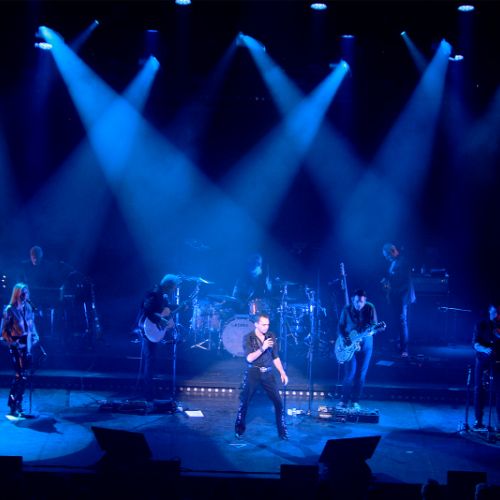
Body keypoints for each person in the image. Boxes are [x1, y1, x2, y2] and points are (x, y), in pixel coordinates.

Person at [235, 313, 289, 440]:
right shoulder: (248, 338)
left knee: (278, 402)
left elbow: (275, 357)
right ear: (256, 324)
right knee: (245, 402)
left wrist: (282, 372)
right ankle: (239, 429)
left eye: (268, 324)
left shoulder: (271, 336)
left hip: (268, 373)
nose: (266, 327)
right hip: (253, 372)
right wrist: (263, 348)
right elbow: (249, 358)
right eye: (263, 325)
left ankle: (282, 432)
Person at [138, 274, 182, 401]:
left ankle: (152, 391)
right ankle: (148, 395)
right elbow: (147, 310)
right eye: (174, 287)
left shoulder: (162, 295)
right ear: (169, 285)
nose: (174, 289)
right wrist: (159, 319)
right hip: (148, 329)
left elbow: (164, 310)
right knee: (150, 361)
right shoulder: (154, 293)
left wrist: (180, 307)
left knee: (152, 361)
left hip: (155, 330)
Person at [1, 283, 39, 417]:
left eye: (27, 292)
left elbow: (32, 327)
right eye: (23, 292)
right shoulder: (9, 310)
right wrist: (13, 343)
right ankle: (12, 404)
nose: (25, 294)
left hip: (27, 346)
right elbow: (3, 332)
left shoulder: (28, 309)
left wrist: (35, 336)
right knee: (19, 375)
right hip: (15, 346)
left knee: (25, 376)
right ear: (17, 294)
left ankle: (19, 403)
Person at [336, 289, 377, 410]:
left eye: (362, 302)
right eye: (357, 301)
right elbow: (340, 326)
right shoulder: (346, 309)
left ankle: (355, 401)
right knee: (350, 373)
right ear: (352, 300)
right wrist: (344, 338)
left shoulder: (370, 308)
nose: (359, 304)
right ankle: (344, 400)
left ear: (365, 301)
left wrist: (372, 331)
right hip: (349, 345)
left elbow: (375, 325)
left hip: (365, 345)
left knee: (361, 373)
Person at [381, 242, 415, 357]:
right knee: (397, 321)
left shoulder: (403, 261)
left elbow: (405, 282)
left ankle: (405, 349)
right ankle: (398, 345)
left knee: (402, 321)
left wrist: (392, 288)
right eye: (385, 257)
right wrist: (386, 282)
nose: (386, 258)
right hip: (396, 296)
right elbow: (393, 278)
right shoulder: (393, 262)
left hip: (403, 296)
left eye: (387, 256)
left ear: (393, 251)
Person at [472, 302, 500, 431]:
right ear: (489, 312)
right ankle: (478, 420)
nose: (496, 315)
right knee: (479, 388)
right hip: (483, 360)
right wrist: (484, 349)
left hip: (497, 360)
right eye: (494, 312)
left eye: (498, 313)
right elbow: (475, 344)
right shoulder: (481, 324)